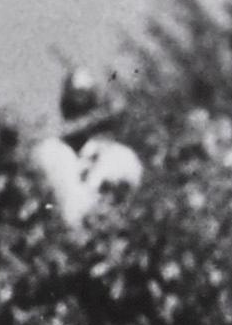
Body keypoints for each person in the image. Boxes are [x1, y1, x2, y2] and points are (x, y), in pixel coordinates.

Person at [29, 67, 145, 232]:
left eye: (85, 104)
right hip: (57, 238)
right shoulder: (47, 152)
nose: (79, 116)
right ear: (64, 108)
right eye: (72, 106)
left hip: (104, 238)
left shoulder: (120, 157)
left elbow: (130, 205)